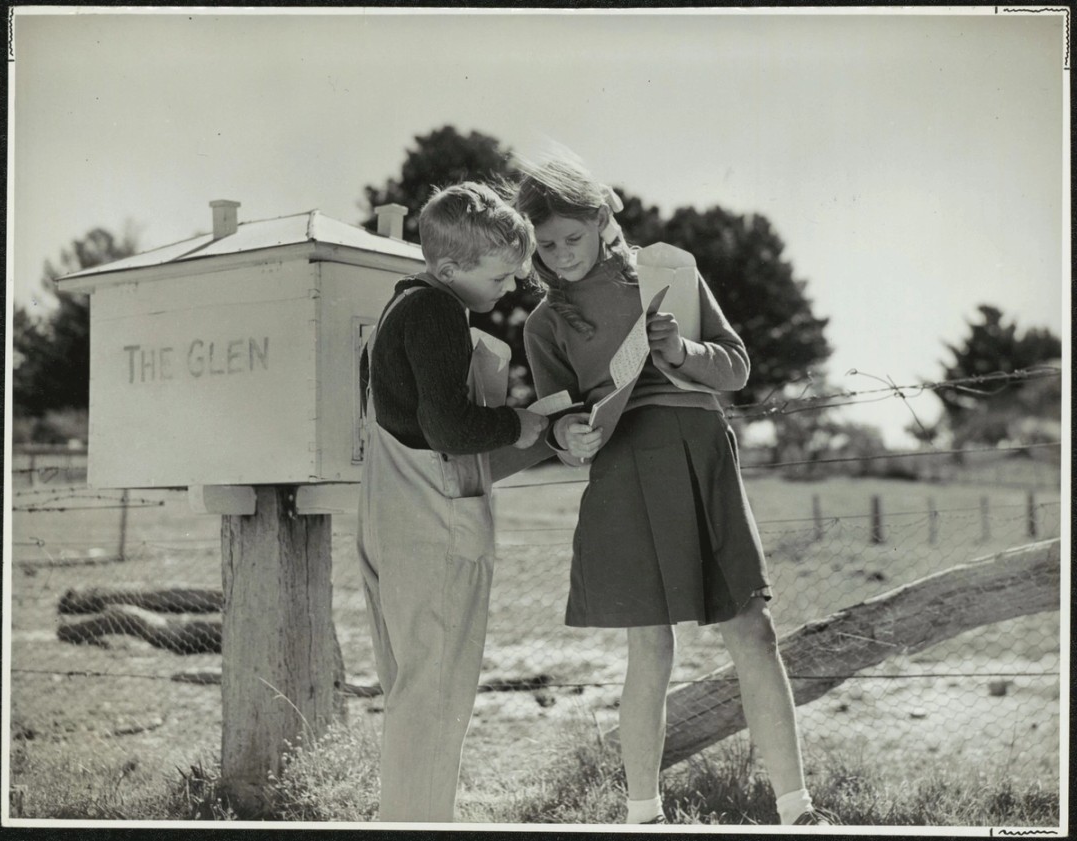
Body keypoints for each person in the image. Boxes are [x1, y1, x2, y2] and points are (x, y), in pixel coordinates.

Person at [514, 157, 836, 827]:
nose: (561, 255)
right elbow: (556, 422)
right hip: (625, 468)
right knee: (650, 647)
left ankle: (798, 810)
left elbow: (737, 366)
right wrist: (569, 431)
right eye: (546, 245)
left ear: (602, 220)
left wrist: (683, 351)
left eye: (572, 238)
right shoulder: (544, 323)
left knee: (753, 629)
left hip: (702, 453)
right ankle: (644, 815)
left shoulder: (669, 274)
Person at [355, 182, 547, 823]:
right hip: (432, 525)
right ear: (447, 268)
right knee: (436, 697)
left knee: (414, 692)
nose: (511, 288)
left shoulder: (399, 306)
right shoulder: (437, 311)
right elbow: (450, 430)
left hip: (390, 513)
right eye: (499, 276)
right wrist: (521, 422)